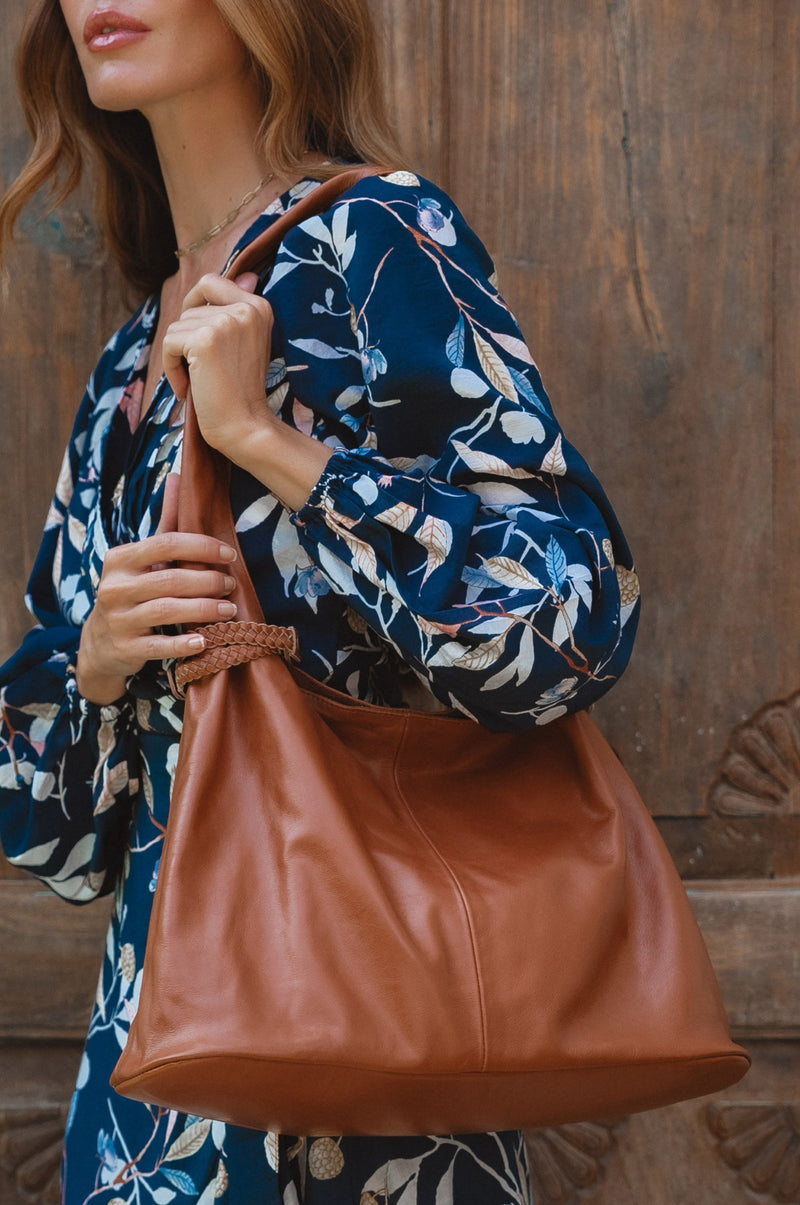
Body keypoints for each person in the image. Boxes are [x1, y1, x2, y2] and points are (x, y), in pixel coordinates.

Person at [0, 1, 640, 1202]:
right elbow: (60, 841)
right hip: (154, 1089)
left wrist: (273, 447)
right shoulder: (124, 365)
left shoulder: (374, 237)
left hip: (367, 1079)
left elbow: (566, 618)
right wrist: (93, 665)